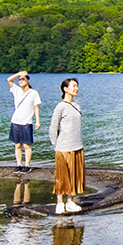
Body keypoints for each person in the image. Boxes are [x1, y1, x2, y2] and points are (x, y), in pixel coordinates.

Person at [47, 77, 85, 215]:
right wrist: (55, 144)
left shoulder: (78, 105)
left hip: (77, 145)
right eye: (74, 86)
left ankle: (70, 201)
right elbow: (53, 128)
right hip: (63, 147)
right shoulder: (60, 106)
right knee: (62, 176)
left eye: (77, 86)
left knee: (74, 174)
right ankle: (59, 202)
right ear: (65, 89)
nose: (76, 88)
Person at [7, 71, 41, 171]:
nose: (21, 81)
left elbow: (36, 107)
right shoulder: (16, 90)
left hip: (27, 122)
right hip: (16, 121)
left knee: (26, 145)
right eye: (20, 80)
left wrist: (37, 121)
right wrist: (19, 74)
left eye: (23, 79)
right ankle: (19, 165)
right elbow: (9, 79)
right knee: (17, 144)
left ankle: (27, 165)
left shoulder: (33, 93)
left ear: (28, 80)